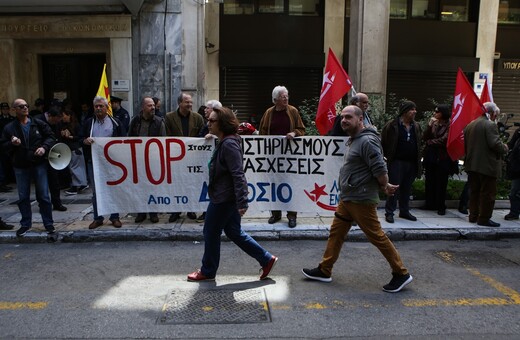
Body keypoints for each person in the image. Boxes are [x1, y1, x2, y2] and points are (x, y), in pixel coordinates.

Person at [301, 105, 412, 293]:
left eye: (349, 117)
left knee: (377, 236)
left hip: (361, 199)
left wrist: (384, 185)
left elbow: (380, 168)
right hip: (349, 198)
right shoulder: (354, 139)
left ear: (360, 119)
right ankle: (325, 270)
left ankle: (401, 273)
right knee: (336, 233)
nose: (344, 120)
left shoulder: (367, 141)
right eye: (342, 117)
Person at [187, 107, 278, 282]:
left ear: (222, 124)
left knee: (210, 231)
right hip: (227, 196)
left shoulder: (228, 144)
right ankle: (266, 259)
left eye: (212, 121)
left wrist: (242, 201)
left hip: (224, 198)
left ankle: (208, 270)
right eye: (209, 120)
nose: (208, 123)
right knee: (233, 231)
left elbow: (238, 174)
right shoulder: (225, 141)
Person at [0, 98, 57, 237]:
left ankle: (48, 223)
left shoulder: (38, 123)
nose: (25, 108)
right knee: (23, 196)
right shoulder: (9, 128)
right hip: (20, 165)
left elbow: (50, 137)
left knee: (43, 195)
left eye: (26, 105)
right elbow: (3, 146)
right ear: (14, 110)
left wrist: (44, 148)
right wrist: (12, 144)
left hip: (39, 164)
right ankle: (25, 224)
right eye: (21, 106)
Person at [258, 85, 305, 228]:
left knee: (290, 184)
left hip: (290, 156)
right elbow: (263, 132)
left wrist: (294, 133)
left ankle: (291, 216)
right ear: (275, 99)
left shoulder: (293, 111)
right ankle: (275, 213)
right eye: (283, 96)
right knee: (274, 184)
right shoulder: (268, 113)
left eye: (287, 96)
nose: (286, 98)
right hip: (273, 156)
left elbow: (302, 129)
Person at [82, 96, 126, 229]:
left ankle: (115, 217)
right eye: (96, 106)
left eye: (101, 106)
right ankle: (98, 218)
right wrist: (85, 141)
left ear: (107, 108)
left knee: (113, 188)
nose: (99, 108)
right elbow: (80, 138)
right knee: (96, 190)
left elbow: (123, 140)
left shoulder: (116, 122)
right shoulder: (88, 123)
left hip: (112, 162)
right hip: (94, 161)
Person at [464, 102, 508, 227]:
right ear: (492, 113)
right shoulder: (489, 125)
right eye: (496, 114)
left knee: (474, 192)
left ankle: (473, 216)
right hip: (487, 166)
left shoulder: (471, 124)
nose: (496, 117)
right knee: (488, 193)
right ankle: (483, 218)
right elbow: (494, 143)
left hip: (472, 164)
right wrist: (505, 148)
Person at [164, 92, 205, 222]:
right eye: (187, 102)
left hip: (193, 156)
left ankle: (190, 208)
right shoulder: (169, 117)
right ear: (180, 103)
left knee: (191, 183)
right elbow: (167, 136)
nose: (190, 104)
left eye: (191, 102)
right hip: (175, 156)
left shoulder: (198, 117)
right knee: (176, 183)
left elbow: (201, 135)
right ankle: (176, 210)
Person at [381, 100, 423, 223]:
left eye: (415, 109)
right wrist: (386, 158)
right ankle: (389, 212)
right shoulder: (392, 125)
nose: (414, 111)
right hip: (397, 162)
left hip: (411, 162)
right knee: (394, 187)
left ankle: (404, 211)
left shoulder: (416, 126)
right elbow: (384, 143)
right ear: (404, 111)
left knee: (407, 188)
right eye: (412, 109)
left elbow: (420, 142)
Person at [128, 97, 166, 223]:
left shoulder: (159, 122)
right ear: (143, 107)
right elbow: (129, 139)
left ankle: (153, 212)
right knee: (139, 187)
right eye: (150, 106)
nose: (153, 108)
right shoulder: (135, 121)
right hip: (138, 159)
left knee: (153, 187)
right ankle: (141, 212)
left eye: (153, 105)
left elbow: (163, 141)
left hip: (153, 159)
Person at [421, 104, 456, 215]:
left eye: (437, 111)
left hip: (442, 157)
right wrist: (429, 126)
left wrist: (431, 142)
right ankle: (429, 203)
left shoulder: (450, 124)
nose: (434, 113)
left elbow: (445, 140)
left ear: (442, 113)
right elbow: (425, 137)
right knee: (430, 180)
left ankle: (441, 205)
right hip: (431, 156)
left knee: (441, 182)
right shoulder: (434, 124)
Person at [39, 108, 68, 211]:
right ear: (50, 116)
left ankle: (57, 203)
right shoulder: (38, 121)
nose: (56, 122)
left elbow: (58, 137)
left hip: (54, 154)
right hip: (41, 155)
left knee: (55, 181)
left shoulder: (57, 123)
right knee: (41, 182)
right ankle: (43, 205)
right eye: (55, 120)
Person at [61, 110, 89, 195]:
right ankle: (82, 184)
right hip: (72, 148)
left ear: (69, 115)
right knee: (77, 167)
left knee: (74, 167)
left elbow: (80, 137)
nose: (63, 117)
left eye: (64, 115)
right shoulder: (65, 125)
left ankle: (76, 186)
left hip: (75, 149)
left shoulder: (76, 125)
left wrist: (70, 137)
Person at [505, 126, 520, 220]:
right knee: (514, 192)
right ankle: (514, 212)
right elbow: (510, 144)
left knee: (515, 192)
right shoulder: (518, 132)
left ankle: (514, 212)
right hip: (517, 168)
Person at [0, 102, 15, 192]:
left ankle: (11, 178)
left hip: (11, 142)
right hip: (2, 144)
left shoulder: (12, 119)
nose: (5, 110)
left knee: (10, 162)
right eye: (3, 109)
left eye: (6, 109)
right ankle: (3, 182)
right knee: (2, 164)